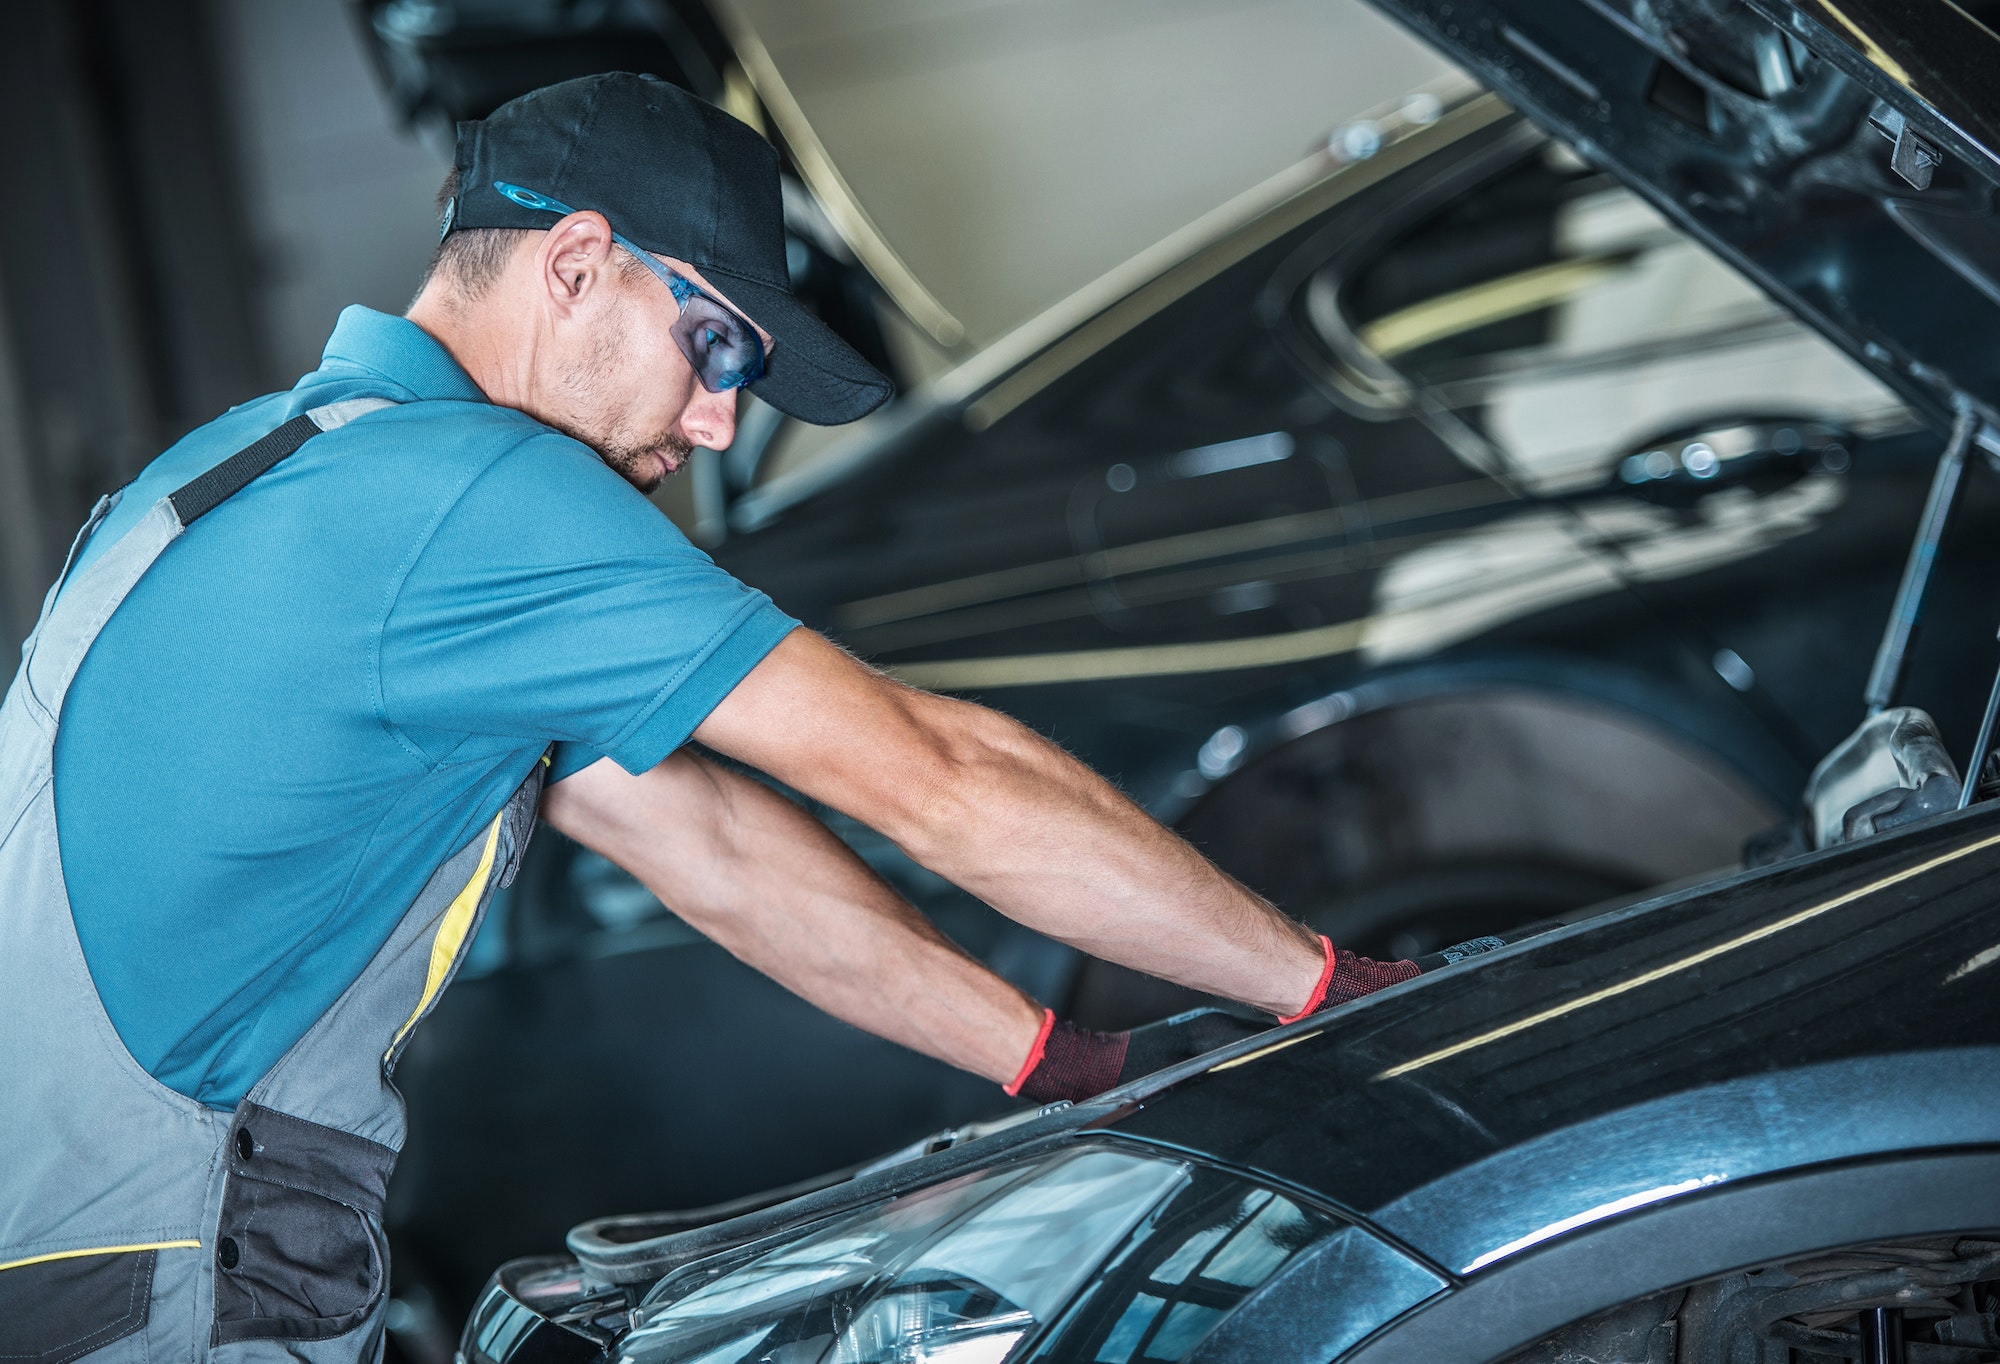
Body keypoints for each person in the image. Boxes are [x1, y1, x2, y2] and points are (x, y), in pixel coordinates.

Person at [0, 74, 1429, 1360]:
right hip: (158, 1293)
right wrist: (1338, 997)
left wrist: (1063, 1064)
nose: (717, 424)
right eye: (718, 348)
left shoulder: (236, 472)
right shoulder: (466, 495)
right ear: (576, 265)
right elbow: (938, 774)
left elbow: (712, 843)